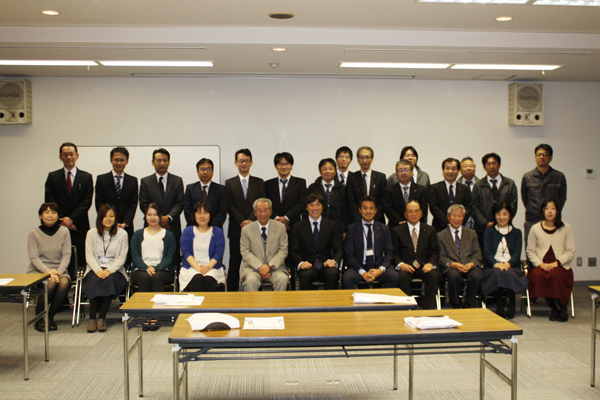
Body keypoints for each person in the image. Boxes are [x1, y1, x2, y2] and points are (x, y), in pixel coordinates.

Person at [45, 142, 93, 268]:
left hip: (79, 225)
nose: (69, 157)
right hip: (59, 225)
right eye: (65, 154)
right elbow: (50, 201)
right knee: (59, 259)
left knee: (80, 260)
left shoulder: (86, 177)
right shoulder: (53, 177)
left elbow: (86, 202)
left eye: (71, 154)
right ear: (60, 157)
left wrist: (71, 219)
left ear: (77, 155)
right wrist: (63, 220)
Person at [526, 198, 575, 322]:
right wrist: (540, 264)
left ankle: (563, 308)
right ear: (542, 211)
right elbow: (530, 251)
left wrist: (557, 263)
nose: (549, 211)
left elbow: (570, 251)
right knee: (538, 275)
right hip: (542, 265)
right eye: (546, 208)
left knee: (556, 276)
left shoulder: (566, 228)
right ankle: (553, 308)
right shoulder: (535, 228)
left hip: (560, 265)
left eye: (553, 208)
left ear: (557, 211)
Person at [82, 204, 128, 333]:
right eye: (105, 216)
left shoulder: (122, 234)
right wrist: (98, 270)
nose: (108, 219)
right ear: (100, 218)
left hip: (115, 270)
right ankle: (92, 318)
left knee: (110, 281)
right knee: (94, 281)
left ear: (115, 218)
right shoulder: (91, 233)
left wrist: (109, 270)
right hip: (95, 269)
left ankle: (101, 317)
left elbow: (122, 257)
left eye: (111, 216)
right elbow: (89, 256)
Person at [225, 149, 266, 292]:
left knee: (256, 263)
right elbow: (229, 205)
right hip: (236, 229)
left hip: (255, 228)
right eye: (241, 161)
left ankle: (257, 294)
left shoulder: (259, 182)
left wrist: (250, 220)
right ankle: (231, 294)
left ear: (251, 162)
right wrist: (242, 221)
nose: (244, 163)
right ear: (236, 163)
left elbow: (261, 203)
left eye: (246, 161)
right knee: (234, 263)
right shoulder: (229, 183)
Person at [27, 202, 72, 331]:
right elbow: (34, 258)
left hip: (59, 269)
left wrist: (59, 271)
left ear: (58, 216)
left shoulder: (64, 231)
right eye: (46, 212)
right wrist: (48, 272)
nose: (50, 215)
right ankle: (39, 318)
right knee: (50, 283)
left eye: (53, 212)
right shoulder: (34, 233)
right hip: (39, 270)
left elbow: (67, 254)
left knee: (64, 283)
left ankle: (50, 317)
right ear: (40, 216)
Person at [139, 148, 185, 267]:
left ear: (169, 162)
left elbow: (180, 203)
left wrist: (168, 218)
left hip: (172, 226)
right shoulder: (145, 182)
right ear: (153, 162)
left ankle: (173, 278)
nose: (162, 163)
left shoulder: (177, 181)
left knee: (173, 259)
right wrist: (158, 219)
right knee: (151, 256)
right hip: (151, 226)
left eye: (165, 160)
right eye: (158, 160)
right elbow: (143, 204)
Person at [482, 202, 527, 319]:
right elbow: (487, 252)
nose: (501, 217)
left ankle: (512, 304)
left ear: (510, 215)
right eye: (498, 214)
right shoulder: (489, 232)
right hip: (493, 266)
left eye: (505, 214)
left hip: (511, 266)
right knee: (498, 273)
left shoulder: (517, 232)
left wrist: (509, 264)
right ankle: (499, 306)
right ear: (494, 215)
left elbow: (517, 253)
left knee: (510, 273)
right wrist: (495, 264)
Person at [342, 196, 399, 289]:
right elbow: (349, 254)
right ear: (360, 210)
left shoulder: (384, 228)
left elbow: (389, 252)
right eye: (365, 208)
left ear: (376, 210)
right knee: (347, 278)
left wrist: (380, 270)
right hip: (359, 267)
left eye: (371, 208)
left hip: (378, 266)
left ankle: (381, 297)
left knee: (393, 276)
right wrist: (362, 272)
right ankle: (358, 298)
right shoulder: (352, 229)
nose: (368, 211)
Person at [392, 201, 440, 310]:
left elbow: (435, 251)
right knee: (402, 277)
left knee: (434, 275)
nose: (413, 214)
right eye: (410, 211)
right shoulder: (397, 230)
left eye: (416, 211)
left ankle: (428, 309)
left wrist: (430, 263)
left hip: (424, 266)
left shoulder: (430, 230)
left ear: (421, 213)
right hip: (406, 266)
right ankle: (408, 308)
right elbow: (394, 252)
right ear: (405, 215)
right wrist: (401, 264)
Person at [290, 193, 343, 290]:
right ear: (306, 207)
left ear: (322, 207)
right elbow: (293, 250)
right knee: (305, 275)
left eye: (318, 205)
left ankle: (330, 300)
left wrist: (334, 261)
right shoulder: (298, 227)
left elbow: (339, 249)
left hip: (326, 264)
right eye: (311, 205)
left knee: (332, 273)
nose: (315, 208)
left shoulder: (332, 225)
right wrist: (300, 263)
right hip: (308, 265)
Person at [437, 204, 483, 309]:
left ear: (464, 217)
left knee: (477, 276)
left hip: (469, 264)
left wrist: (472, 263)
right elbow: (441, 256)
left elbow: (477, 253)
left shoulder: (471, 233)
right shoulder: (441, 235)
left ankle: (468, 303)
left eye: (460, 216)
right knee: (454, 276)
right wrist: (452, 264)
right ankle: (456, 303)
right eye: (454, 215)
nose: (457, 219)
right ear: (448, 216)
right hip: (452, 266)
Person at [472, 153, 519, 252]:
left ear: (499, 164)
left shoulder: (509, 184)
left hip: (505, 228)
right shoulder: (478, 185)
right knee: (485, 256)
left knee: (504, 255)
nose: (491, 166)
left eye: (494, 163)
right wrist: (485, 223)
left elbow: (513, 205)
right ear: (484, 167)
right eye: (488, 164)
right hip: (483, 230)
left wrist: (501, 220)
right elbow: (474, 207)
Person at [521, 144, 567, 245]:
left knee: (553, 249)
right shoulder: (527, 177)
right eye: (539, 154)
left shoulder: (559, 177)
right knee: (531, 249)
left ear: (550, 157)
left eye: (545, 154)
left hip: (552, 221)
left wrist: (551, 213)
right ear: (535, 157)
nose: (541, 157)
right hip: (532, 220)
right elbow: (525, 199)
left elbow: (562, 198)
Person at [240, 198, 289, 291]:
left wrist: (269, 266)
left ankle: (279, 301)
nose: (263, 214)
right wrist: (260, 266)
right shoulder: (246, 230)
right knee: (251, 280)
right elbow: (245, 252)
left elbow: (283, 250)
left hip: (275, 268)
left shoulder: (281, 227)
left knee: (282, 279)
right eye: (260, 211)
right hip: (253, 268)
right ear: (255, 213)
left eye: (266, 210)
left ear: (270, 211)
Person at [180, 201, 226, 292]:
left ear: (210, 215)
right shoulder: (187, 231)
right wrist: (197, 268)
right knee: (197, 278)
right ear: (194, 215)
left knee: (209, 280)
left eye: (205, 213)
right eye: (199, 213)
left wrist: (208, 267)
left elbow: (218, 253)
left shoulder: (218, 232)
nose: (202, 216)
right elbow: (186, 252)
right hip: (191, 268)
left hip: (212, 268)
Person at [130, 203, 176, 293]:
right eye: (149, 215)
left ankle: (157, 302)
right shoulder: (138, 235)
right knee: (144, 277)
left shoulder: (169, 235)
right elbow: (135, 257)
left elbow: (168, 258)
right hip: (141, 269)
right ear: (145, 216)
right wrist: (146, 268)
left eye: (155, 215)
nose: (152, 218)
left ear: (160, 216)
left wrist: (156, 268)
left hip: (163, 270)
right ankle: (144, 303)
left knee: (156, 277)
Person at [95, 146, 138, 239]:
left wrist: (125, 222)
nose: (119, 163)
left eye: (122, 160)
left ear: (127, 161)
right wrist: (110, 221)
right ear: (111, 160)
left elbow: (133, 204)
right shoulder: (102, 179)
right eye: (116, 160)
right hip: (106, 226)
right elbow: (99, 203)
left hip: (126, 227)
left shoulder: (133, 181)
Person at [264, 152, 307, 231]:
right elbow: (266, 204)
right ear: (276, 166)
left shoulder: (300, 183)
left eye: (287, 164)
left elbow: (301, 204)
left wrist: (286, 218)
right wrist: (277, 219)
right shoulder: (268, 184)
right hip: (273, 226)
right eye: (280, 164)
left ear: (291, 165)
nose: (283, 167)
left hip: (294, 226)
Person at [428, 157, 472, 232]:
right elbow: (434, 207)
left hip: (460, 228)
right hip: (440, 228)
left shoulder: (465, 189)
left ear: (458, 171)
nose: (450, 171)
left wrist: (457, 221)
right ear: (443, 170)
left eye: (453, 169)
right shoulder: (434, 188)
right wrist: (448, 223)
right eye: (447, 168)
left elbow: (468, 208)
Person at [306, 158, 349, 234]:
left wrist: (345, 230)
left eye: (330, 169)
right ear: (320, 171)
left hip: (337, 229)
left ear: (335, 172)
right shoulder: (313, 188)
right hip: (317, 228)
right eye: (324, 169)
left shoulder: (342, 189)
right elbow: (306, 209)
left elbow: (346, 211)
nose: (328, 171)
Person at [346, 146, 387, 223]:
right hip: (357, 221)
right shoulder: (352, 177)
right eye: (361, 157)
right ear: (358, 160)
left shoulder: (380, 177)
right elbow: (351, 202)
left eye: (367, 157)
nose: (364, 161)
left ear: (372, 159)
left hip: (377, 221)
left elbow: (383, 201)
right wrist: (359, 220)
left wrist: (374, 218)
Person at [184, 158, 227, 229]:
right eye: (202, 169)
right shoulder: (190, 188)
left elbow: (222, 212)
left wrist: (209, 228)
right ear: (197, 171)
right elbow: (187, 211)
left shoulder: (221, 189)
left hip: (214, 229)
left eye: (208, 169)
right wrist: (199, 228)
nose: (205, 172)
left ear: (212, 171)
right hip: (194, 229)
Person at [382, 160, 427, 227]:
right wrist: (402, 222)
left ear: (412, 172)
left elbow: (423, 209)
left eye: (406, 170)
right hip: (396, 226)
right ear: (396, 173)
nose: (403, 173)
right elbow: (388, 210)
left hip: (416, 226)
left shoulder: (420, 189)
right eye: (400, 170)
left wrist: (412, 221)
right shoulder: (389, 190)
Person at [458, 156, 479, 229]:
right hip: (461, 224)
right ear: (460, 170)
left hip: (478, 225)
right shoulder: (456, 185)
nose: (468, 168)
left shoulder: (481, 185)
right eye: (465, 166)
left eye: (471, 166)